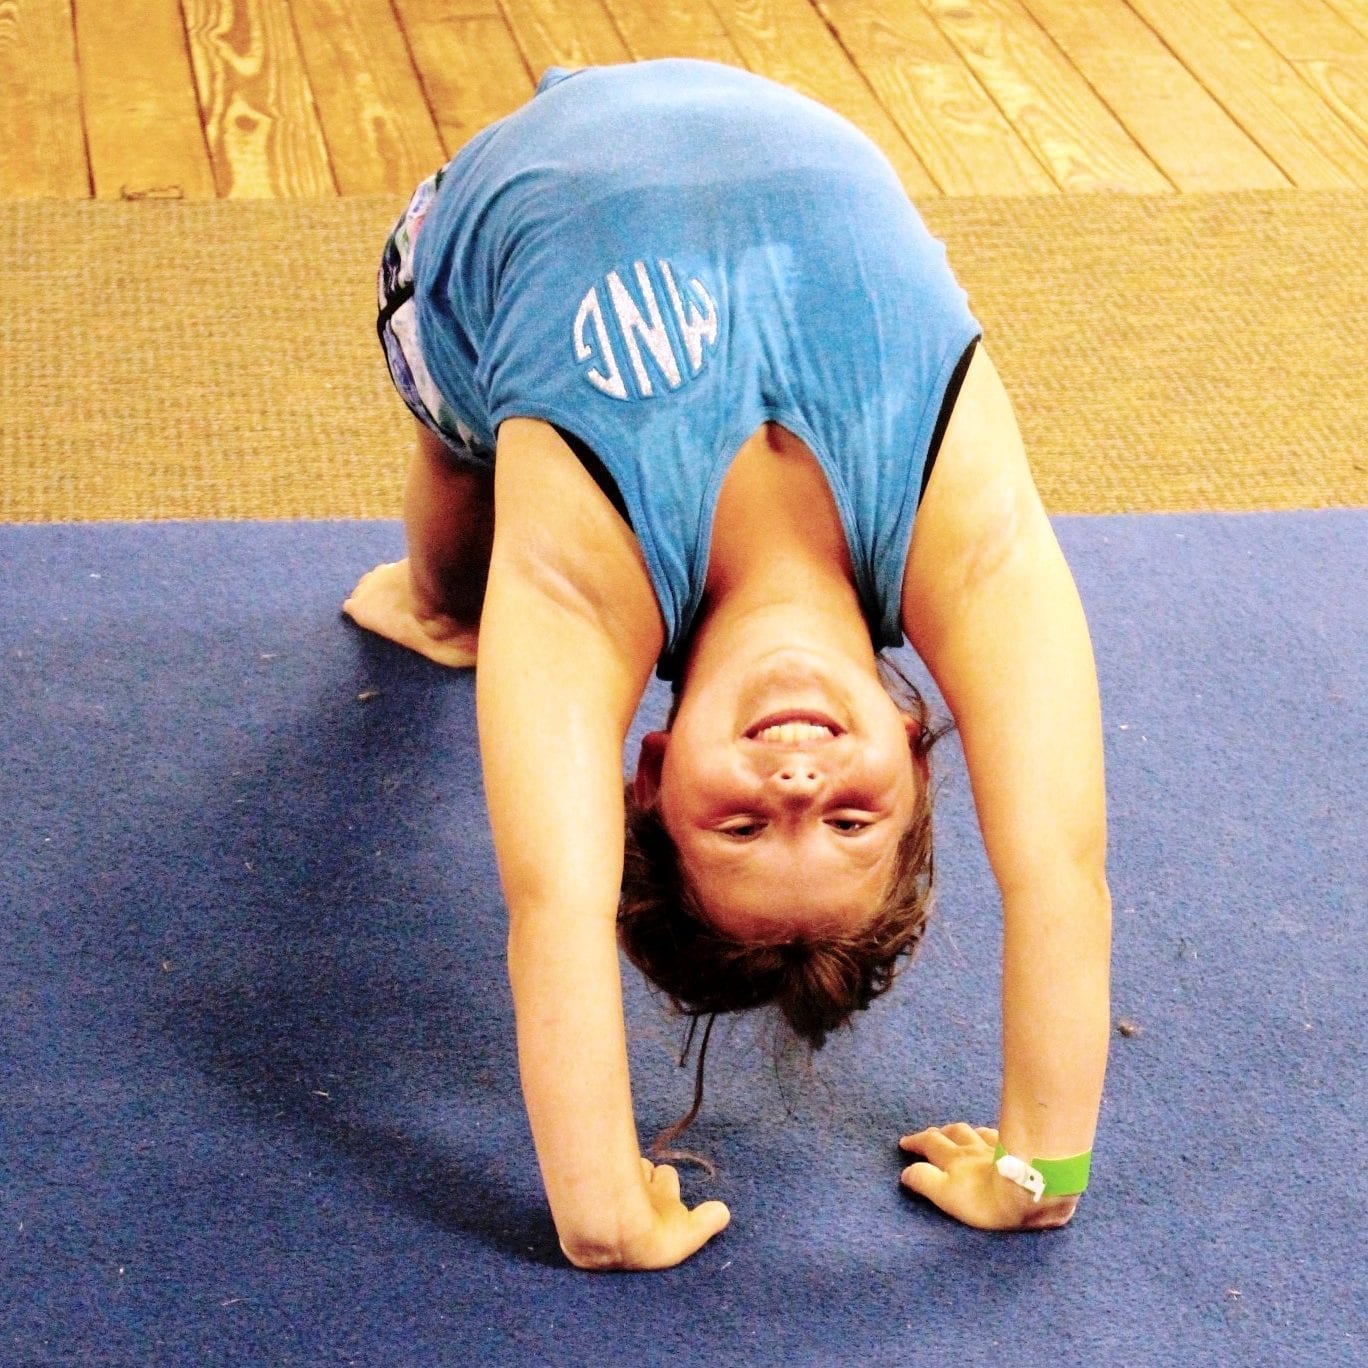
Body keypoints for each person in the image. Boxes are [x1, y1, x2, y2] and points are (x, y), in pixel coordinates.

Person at [344, 59, 1111, 1271]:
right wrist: (1039, 1173)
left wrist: (598, 1205)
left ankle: (436, 606)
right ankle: (444, 599)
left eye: (743, 830)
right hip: (761, 86)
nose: (798, 792)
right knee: (506, 508)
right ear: (915, 753)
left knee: (471, 469)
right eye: (852, 818)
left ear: (646, 773)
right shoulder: (964, 546)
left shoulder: (587, 589)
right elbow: (1060, 865)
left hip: (470, 222)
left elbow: (556, 901)